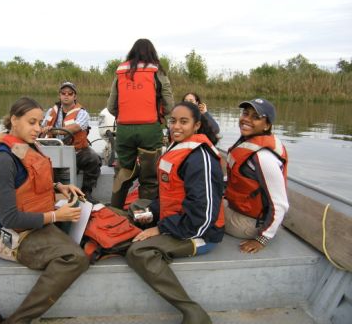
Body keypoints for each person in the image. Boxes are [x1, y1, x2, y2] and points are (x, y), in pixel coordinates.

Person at [0, 97, 89, 323]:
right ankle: (18, 320)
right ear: (14, 120)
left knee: (91, 226)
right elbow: (9, 217)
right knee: (75, 258)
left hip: (36, 223)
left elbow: (31, 183)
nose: (38, 129)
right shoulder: (2, 158)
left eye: (39, 122)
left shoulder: (26, 145)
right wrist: (57, 216)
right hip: (12, 236)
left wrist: (60, 186)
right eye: (32, 122)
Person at [125, 101, 225, 324]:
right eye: (173, 121)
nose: (176, 127)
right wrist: (151, 213)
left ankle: (193, 312)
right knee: (134, 210)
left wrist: (159, 229)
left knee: (138, 252)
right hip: (177, 220)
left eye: (184, 122)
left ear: (197, 125)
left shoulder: (201, 158)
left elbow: (203, 218)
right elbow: (172, 196)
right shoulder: (178, 147)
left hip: (201, 234)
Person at [107, 38, 174, 208]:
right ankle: (145, 217)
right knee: (149, 178)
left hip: (124, 131)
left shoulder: (121, 73)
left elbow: (111, 107)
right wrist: (157, 115)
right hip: (150, 130)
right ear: (152, 53)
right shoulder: (158, 73)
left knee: (123, 172)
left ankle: (115, 211)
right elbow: (170, 106)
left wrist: (125, 117)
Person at [224, 98, 289, 254]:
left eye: (256, 117)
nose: (247, 119)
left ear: (266, 125)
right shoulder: (248, 142)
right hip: (240, 210)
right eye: (246, 113)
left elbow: (281, 205)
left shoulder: (264, 157)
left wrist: (262, 239)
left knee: (200, 205)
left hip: (250, 224)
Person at [41, 81, 102, 204]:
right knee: (44, 164)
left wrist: (53, 129)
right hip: (56, 150)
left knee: (94, 159)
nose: (66, 95)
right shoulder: (50, 112)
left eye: (70, 93)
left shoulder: (82, 112)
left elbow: (75, 127)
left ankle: (86, 193)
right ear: (59, 95)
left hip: (78, 151)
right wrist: (43, 130)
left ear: (75, 96)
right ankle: (54, 195)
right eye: (63, 93)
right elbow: (41, 128)